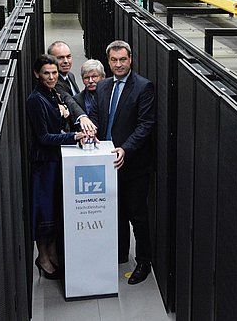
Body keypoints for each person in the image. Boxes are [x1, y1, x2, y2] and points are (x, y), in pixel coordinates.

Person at [89, 40, 155, 285]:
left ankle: (144, 262)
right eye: (114, 60)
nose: (119, 64)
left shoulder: (143, 87)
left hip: (133, 164)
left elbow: (145, 124)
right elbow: (97, 114)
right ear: (108, 61)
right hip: (106, 162)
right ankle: (118, 254)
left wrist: (125, 148)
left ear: (131, 60)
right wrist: (92, 131)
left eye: (123, 60)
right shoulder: (104, 85)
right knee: (113, 212)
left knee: (137, 215)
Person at [27, 54, 87, 280]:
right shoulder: (36, 99)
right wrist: (74, 136)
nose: (52, 77)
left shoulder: (51, 94)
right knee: (44, 212)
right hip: (44, 163)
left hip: (56, 160)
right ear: (37, 74)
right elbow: (43, 137)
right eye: (46, 73)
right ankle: (43, 258)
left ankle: (52, 252)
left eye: (53, 73)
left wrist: (63, 116)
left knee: (53, 211)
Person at [47, 41, 96, 135]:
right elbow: (68, 99)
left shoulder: (70, 76)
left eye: (68, 56)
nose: (66, 61)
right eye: (60, 58)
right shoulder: (53, 82)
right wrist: (81, 117)